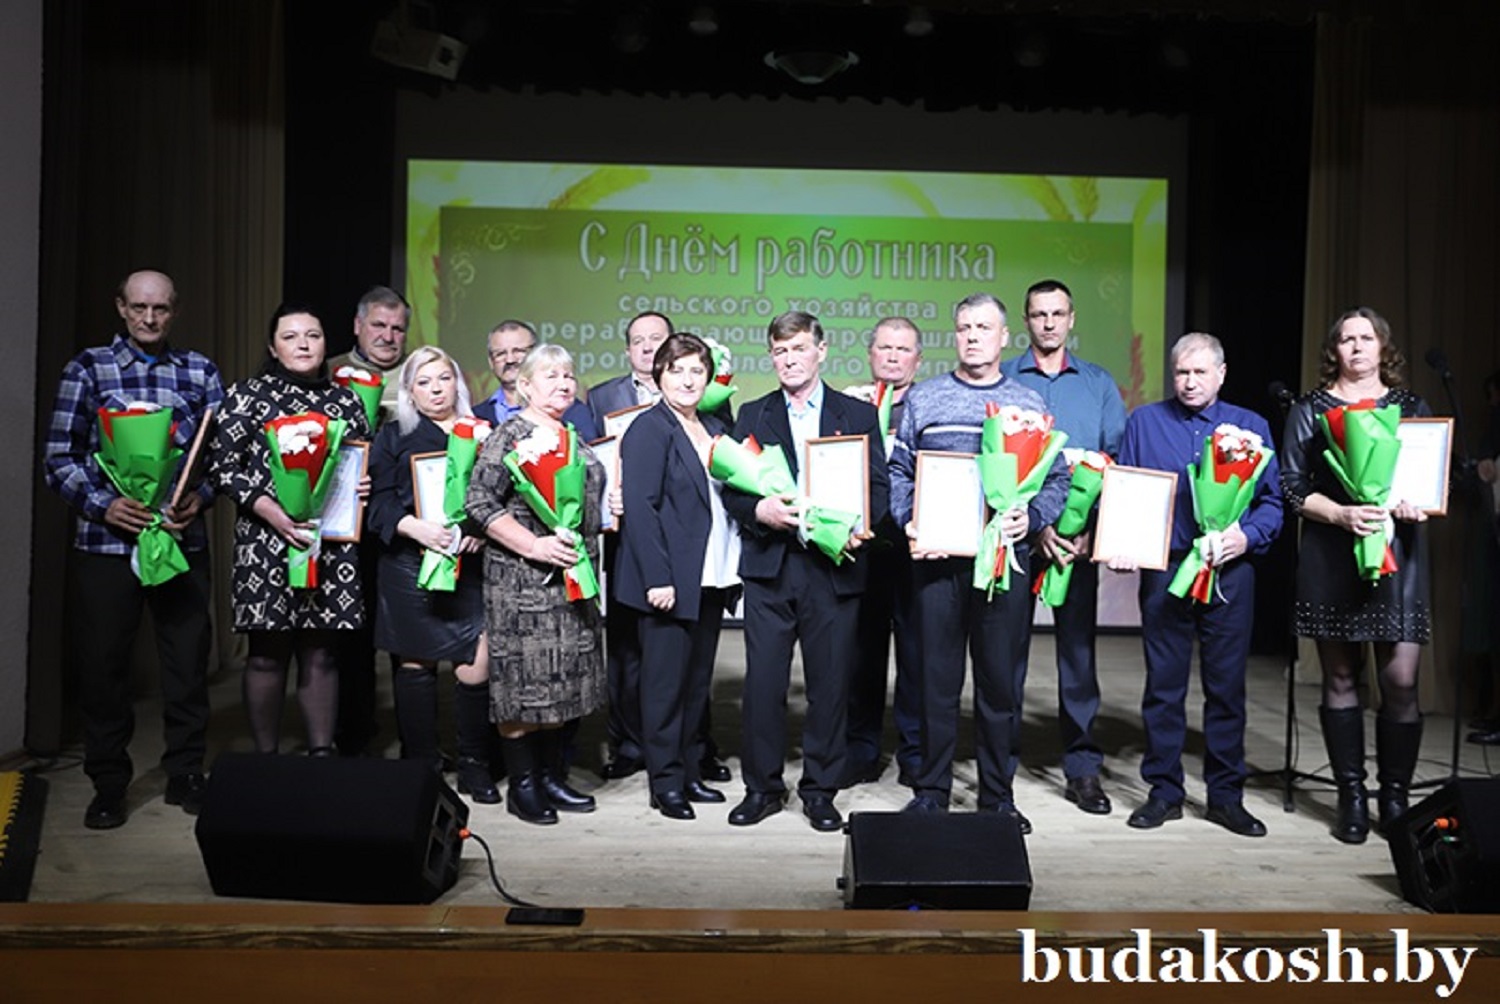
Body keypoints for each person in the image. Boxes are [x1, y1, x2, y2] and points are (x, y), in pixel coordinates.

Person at [43, 269, 224, 829]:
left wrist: (201, 497)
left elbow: (222, 457)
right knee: (104, 668)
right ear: (121, 307)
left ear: (175, 310)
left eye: (161, 308)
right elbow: (59, 457)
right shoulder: (88, 368)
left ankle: (186, 773)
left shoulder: (200, 371)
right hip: (105, 544)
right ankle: (108, 782)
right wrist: (104, 505)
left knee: (187, 664)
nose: (150, 318)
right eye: (140, 307)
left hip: (179, 540)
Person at [888, 293, 1068, 833]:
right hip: (937, 565)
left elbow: (1056, 478)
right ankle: (931, 792)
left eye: (983, 327)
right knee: (935, 684)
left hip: (1003, 565)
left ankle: (997, 797)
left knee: (999, 687)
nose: (972, 336)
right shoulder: (926, 399)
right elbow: (898, 471)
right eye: (964, 327)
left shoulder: (1027, 403)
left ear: (1004, 337)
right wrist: (909, 519)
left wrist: (1031, 518)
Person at [721, 310, 888, 832]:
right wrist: (759, 511)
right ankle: (762, 789)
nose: (789, 360)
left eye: (798, 349)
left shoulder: (856, 414)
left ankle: (820, 790)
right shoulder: (753, 413)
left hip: (832, 569)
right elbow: (732, 493)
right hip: (770, 569)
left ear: (821, 350)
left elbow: (878, 488)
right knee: (764, 686)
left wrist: (860, 523)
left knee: (830, 687)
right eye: (779, 351)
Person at [1112, 332, 1282, 837]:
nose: (1189, 382)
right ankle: (1164, 792)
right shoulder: (1144, 422)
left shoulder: (1251, 426)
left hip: (1231, 571)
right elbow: (1126, 488)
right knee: (1163, 687)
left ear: (1221, 374)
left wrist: (1246, 537)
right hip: (1166, 569)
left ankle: (1226, 797)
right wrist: (1119, 539)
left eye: (1199, 372)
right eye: (1181, 372)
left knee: (1226, 689)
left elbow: (1272, 502)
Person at [1281, 308, 1431, 842]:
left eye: (1367, 337)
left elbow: (1431, 477)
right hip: (1331, 552)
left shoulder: (1412, 408)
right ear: (1335, 350)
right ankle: (1350, 796)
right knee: (1341, 678)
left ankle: (1394, 798)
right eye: (1347, 339)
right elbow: (1292, 486)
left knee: (1401, 680)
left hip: (1397, 554)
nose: (1357, 347)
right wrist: (1341, 514)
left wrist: (1416, 503)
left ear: (1383, 347)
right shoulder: (1310, 409)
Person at [207, 302, 373, 757]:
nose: (303, 344)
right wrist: (272, 512)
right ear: (272, 346)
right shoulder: (247, 396)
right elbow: (223, 468)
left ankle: (321, 756)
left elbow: (357, 461)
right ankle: (267, 760)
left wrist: (363, 482)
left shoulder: (346, 400)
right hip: (265, 541)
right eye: (291, 336)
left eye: (313, 336)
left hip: (329, 543)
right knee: (267, 652)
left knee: (321, 651)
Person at [465, 344, 610, 824]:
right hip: (522, 583)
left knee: (561, 680)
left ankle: (551, 777)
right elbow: (479, 503)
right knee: (523, 683)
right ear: (524, 385)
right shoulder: (509, 435)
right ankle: (523, 786)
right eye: (551, 375)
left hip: (571, 579)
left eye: (569, 375)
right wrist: (534, 546)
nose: (564, 383)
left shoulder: (573, 436)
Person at [1000, 280, 1128, 815]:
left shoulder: (1098, 384)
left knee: (1077, 657)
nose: (1048, 323)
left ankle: (1082, 769)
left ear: (1072, 319)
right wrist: (1036, 528)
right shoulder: (1004, 378)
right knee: (1006, 657)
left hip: (1076, 544)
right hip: (1014, 537)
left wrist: (1089, 533)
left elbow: (1117, 463)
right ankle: (999, 772)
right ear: (1026, 321)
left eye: (1057, 314)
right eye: (1038, 314)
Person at [614, 333, 742, 819]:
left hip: (709, 576)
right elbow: (641, 510)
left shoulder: (712, 427)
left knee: (694, 685)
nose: (688, 380)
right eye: (677, 370)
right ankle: (664, 782)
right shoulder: (649, 429)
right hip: (669, 580)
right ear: (659, 375)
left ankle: (689, 772)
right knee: (664, 687)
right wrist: (658, 578)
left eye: (696, 371)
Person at [366, 346, 498, 803]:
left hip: (469, 565)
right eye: (424, 382)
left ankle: (475, 765)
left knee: (476, 662)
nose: (436, 389)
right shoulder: (393, 436)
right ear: (409, 392)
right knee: (416, 664)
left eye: (444, 378)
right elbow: (378, 502)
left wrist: (480, 530)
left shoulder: (482, 431)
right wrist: (413, 527)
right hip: (409, 563)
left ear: (457, 383)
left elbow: (502, 495)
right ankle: (422, 764)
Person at [328, 285, 410, 758]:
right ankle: (354, 735)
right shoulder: (329, 371)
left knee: (406, 633)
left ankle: (415, 739)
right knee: (351, 635)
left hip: (402, 523)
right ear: (358, 326)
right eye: (378, 325)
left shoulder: (418, 374)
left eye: (398, 328)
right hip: (345, 526)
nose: (388, 336)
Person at [842, 316, 924, 788]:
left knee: (916, 657)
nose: (893, 356)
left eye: (903, 349)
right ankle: (860, 752)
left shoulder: (929, 405)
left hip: (916, 550)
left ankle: (915, 755)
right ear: (870, 353)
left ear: (918, 359)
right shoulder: (849, 404)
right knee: (861, 657)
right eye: (885, 348)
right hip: (863, 550)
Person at [473, 320, 597, 439]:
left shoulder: (573, 411)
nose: (510, 360)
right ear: (491, 362)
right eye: (500, 354)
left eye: (518, 351)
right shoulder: (476, 416)